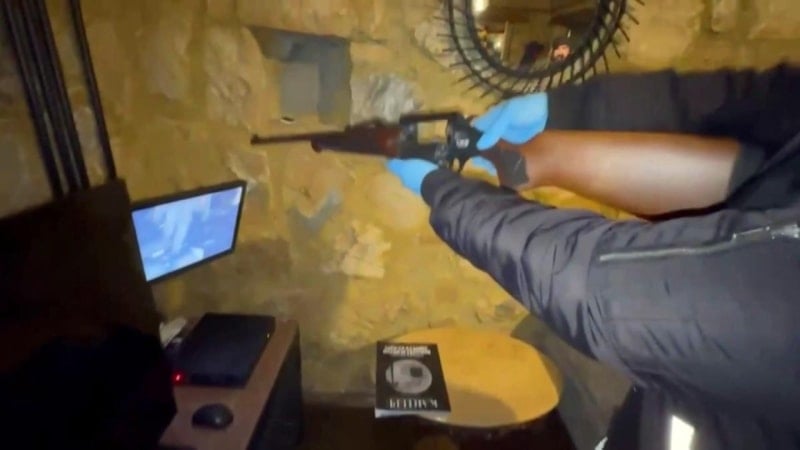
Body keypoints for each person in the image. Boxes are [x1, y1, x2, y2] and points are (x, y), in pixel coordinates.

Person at [385, 64, 800, 449]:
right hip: (666, 405)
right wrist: (567, 109)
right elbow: (756, 102)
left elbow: (600, 290)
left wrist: (446, 192)